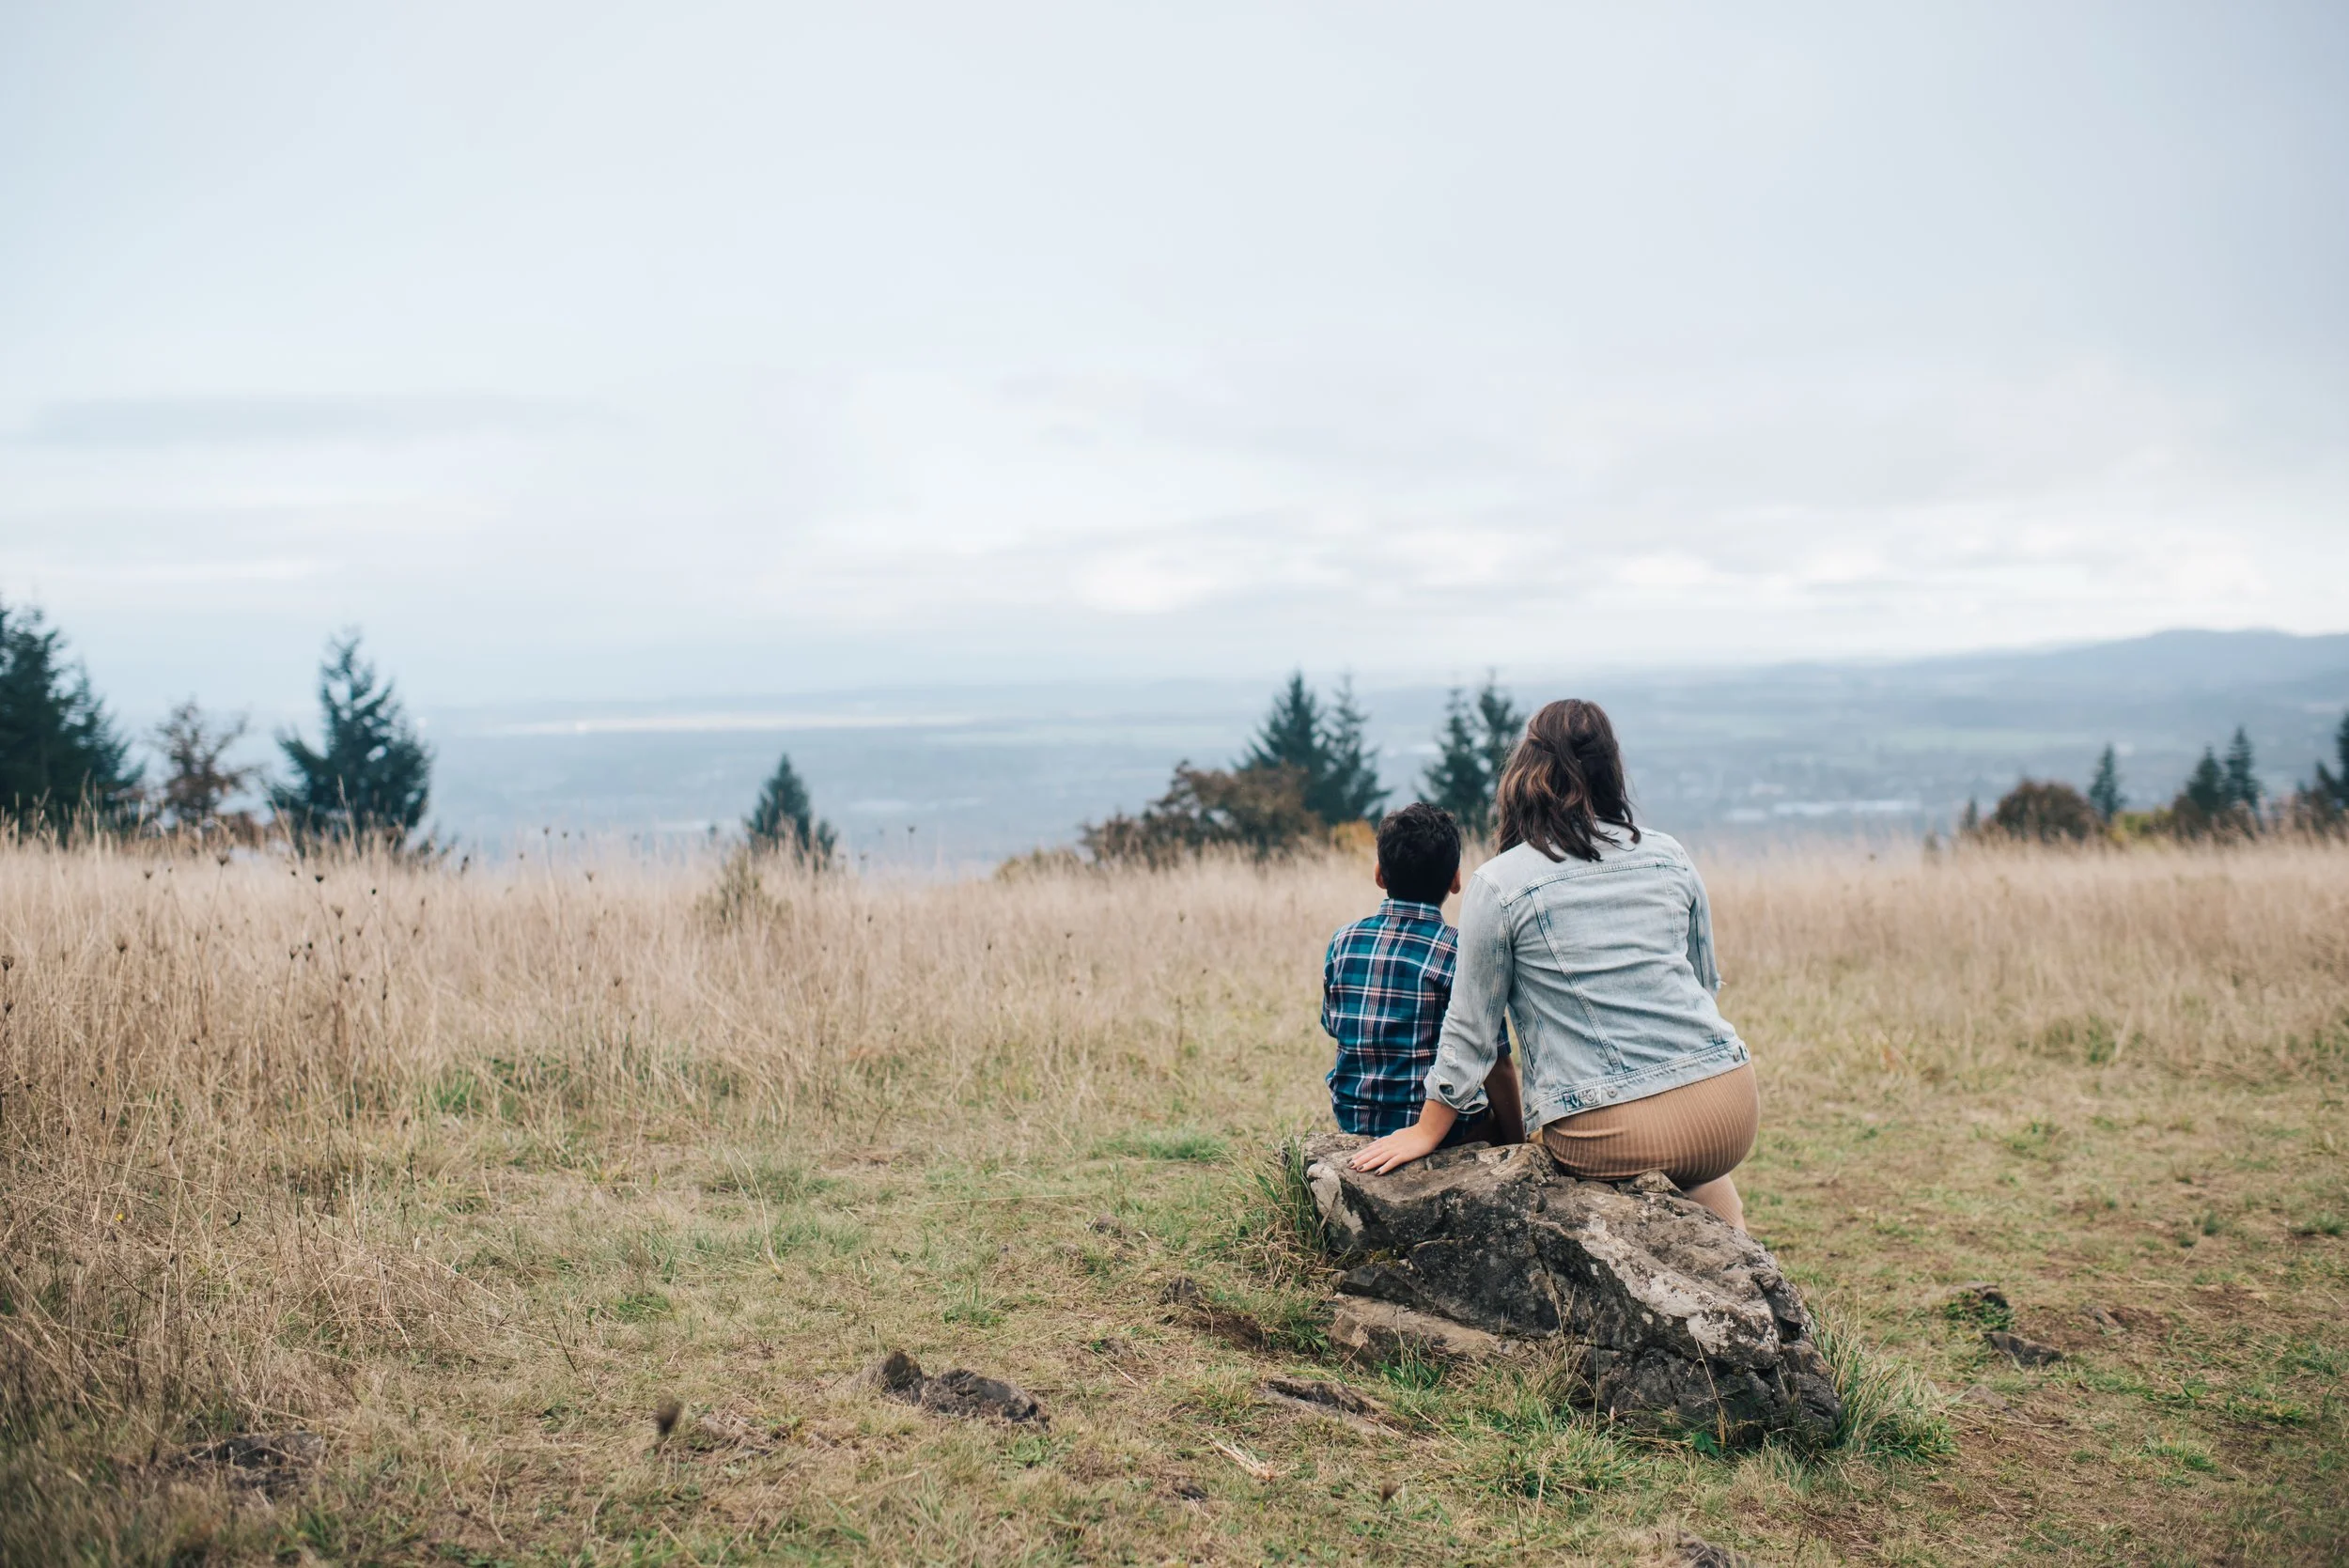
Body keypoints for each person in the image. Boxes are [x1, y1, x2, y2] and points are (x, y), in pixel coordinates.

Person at [1347, 699, 1758, 1231]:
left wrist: (1427, 1131)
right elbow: (1702, 985)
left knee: (1573, 1147)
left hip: (1612, 1127)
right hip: (1729, 1106)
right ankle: (1743, 1282)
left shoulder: (1500, 883)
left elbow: (1471, 1031)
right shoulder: (1669, 854)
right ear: (1612, 770)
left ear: (1526, 771)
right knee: (1698, 1173)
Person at [1323, 801, 1523, 1146]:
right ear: (1456, 879)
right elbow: (1494, 1062)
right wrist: (1517, 1144)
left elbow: (1333, 1025)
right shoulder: (1459, 951)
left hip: (1353, 1120)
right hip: (1438, 1129)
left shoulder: (1343, 941)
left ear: (1379, 875)